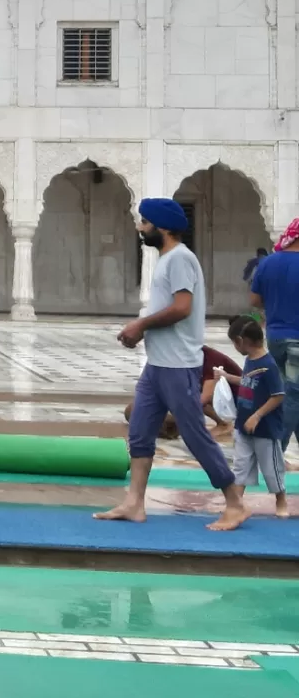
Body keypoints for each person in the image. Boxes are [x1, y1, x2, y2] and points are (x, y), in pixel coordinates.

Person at [97, 197, 245, 531]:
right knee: (140, 431)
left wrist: (141, 325)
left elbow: (182, 308)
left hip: (178, 365)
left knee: (194, 434)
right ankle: (134, 503)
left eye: (144, 223)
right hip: (158, 364)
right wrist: (142, 332)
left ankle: (235, 503)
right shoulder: (166, 260)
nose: (140, 228)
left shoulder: (180, 259)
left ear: (161, 227)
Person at [215, 315, 288, 518]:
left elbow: (278, 395)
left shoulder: (269, 365)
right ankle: (236, 503)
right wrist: (228, 378)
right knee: (241, 466)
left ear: (241, 341)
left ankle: (281, 500)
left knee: (272, 468)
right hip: (243, 426)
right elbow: (248, 381)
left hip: (265, 429)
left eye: (233, 343)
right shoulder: (250, 361)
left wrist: (257, 416)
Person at [250, 217, 299, 448]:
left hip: (275, 337)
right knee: (292, 396)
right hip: (297, 340)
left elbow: (255, 300)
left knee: (288, 392)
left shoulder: (268, 263)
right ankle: (276, 449)